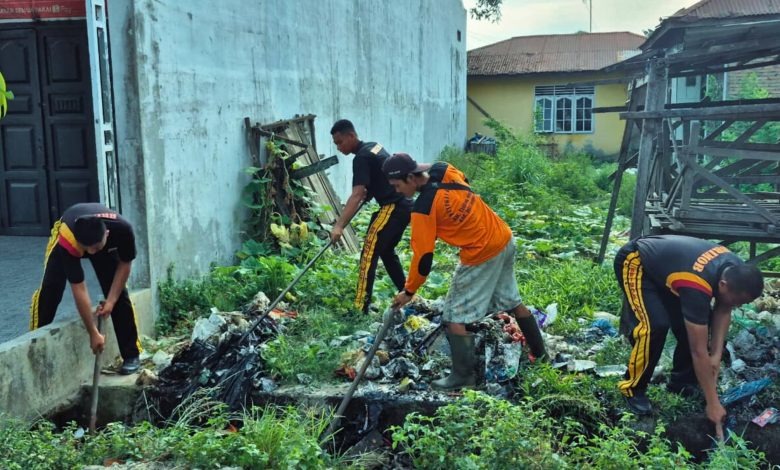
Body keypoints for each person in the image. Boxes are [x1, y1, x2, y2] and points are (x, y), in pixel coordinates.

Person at [382, 153, 547, 391]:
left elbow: (423, 257)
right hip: (503, 237)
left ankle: (463, 377)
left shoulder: (422, 209)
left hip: (481, 253)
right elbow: (453, 174)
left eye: (398, 185)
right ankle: (542, 357)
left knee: (453, 317)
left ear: (410, 178)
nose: (397, 191)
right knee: (512, 302)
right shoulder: (446, 170)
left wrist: (409, 290)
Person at [614, 234, 763, 429]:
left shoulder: (735, 269)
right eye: (738, 301)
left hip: (674, 269)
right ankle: (632, 388)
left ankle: (681, 383)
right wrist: (713, 402)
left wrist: (716, 356)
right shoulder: (697, 285)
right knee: (654, 327)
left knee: (694, 327)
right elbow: (698, 351)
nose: (738, 306)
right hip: (637, 261)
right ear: (722, 285)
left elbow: (724, 308)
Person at [30, 202, 143, 374]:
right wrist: (93, 332)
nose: (91, 253)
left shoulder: (123, 230)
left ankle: (131, 355)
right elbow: (79, 289)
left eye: (95, 248)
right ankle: (34, 342)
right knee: (50, 290)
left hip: (101, 244)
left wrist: (111, 302)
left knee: (118, 294)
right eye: (87, 249)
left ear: (107, 234)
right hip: (69, 236)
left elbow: (125, 265)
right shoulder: (69, 238)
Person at [330, 119, 412, 314]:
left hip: (392, 207)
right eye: (335, 144)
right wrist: (373, 189)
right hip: (404, 206)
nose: (338, 147)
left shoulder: (361, 158)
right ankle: (408, 294)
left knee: (368, 253)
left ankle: (360, 308)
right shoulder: (374, 147)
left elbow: (357, 194)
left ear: (351, 135)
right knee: (386, 251)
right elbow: (383, 173)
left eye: (340, 142)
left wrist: (339, 225)